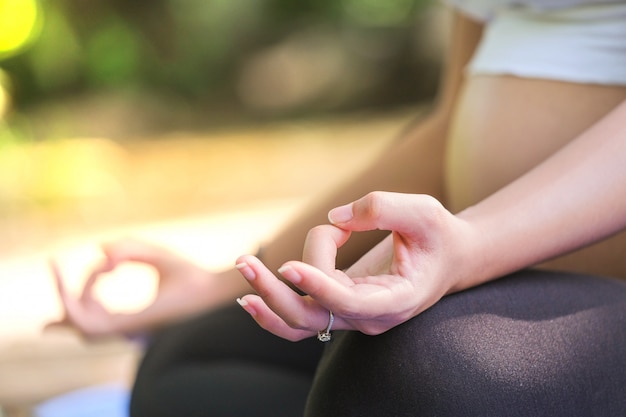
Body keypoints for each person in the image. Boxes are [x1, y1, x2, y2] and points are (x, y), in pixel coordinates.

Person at [49, 0, 626, 414]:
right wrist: (225, 282)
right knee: (196, 350)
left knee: (424, 369)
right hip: (482, 263)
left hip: (573, 286)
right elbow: (449, 123)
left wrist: (473, 245)